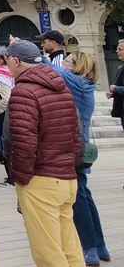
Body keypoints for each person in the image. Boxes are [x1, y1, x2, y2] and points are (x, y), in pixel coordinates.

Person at [6, 39, 83, 267]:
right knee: (69, 245)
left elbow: (23, 142)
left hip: (42, 179)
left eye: (8, 60)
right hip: (65, 177)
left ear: (16, 61)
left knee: (48, 252)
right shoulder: (61, 87)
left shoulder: (23, 91)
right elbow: (76, 134)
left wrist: (20, 178)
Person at [56, 53, 110, 266]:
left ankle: (90, 249)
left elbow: (49, 68)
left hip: (73, 148)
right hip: (80, 147)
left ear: (75, 67)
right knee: (85, 197)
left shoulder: (76, 82)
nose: (62, 65)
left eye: (66, 61)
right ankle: (99, 246)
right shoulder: (85, 84)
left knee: (79, 200)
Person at [108, 38, 124, 134]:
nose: (117, 51)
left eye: (120, 49)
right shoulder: (120, 66)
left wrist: (115, 89)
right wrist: (113, 93)